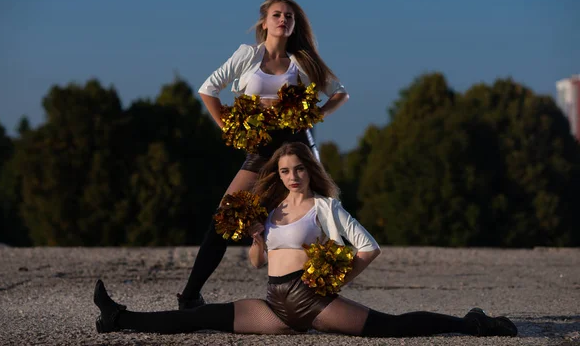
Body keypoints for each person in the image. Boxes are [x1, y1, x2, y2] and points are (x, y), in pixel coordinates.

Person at [93, 142, 518, 338]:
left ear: (309, 171)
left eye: (298, 169)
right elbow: (258, 264)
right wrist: (258, 239)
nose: (291, 176)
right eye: (283, 171)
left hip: (313, 300)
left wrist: (336, 282)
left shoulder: (324, 207)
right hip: (274, 304)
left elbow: (369, 246)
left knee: (391, 327)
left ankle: (472, 324)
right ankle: (118, 317)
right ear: (276, 175)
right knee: (198, 318)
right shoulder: (273, 211)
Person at [176, 0, 349, 309]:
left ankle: (319, 298)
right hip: (260, 148)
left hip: (297, 146)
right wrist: (230, 127)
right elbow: (208, 89)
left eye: (289, 17)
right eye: (277, 15)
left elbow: (339, 93)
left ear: (294, 25)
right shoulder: (247, 55)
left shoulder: (303, 60)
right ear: (264, 22)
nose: (283, 20)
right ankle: (189, 297)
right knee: (224, 218)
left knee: (318, 222)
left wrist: (315, 114)